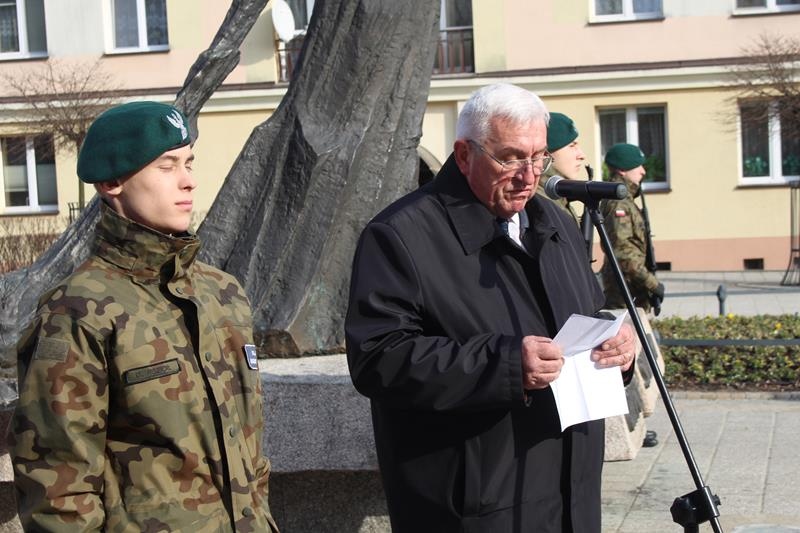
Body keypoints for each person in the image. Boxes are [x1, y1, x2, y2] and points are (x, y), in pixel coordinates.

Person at [345, 83, 636, 532]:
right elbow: (378, 359)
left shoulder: (555, 222)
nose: (529, 176)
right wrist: (507, 366)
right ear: (464, 155)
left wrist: (617, 346)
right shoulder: (399, 236)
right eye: (511, 158)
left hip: (570, 494)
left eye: (538, 157)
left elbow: (588, 313)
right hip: (477, 505)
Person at [10, 101, 279, 532]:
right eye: (166, 166)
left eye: (189, 163)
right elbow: (58, 490)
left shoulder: (222, 293)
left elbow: (250, 455)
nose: (188, 181)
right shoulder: (77, 313)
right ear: (112, 182)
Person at [599, 142, 664, 314]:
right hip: (623, 292)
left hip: (631, 288)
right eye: (638, 166)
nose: (643, 171)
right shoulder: (618, 202)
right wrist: (653, 284)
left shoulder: (625, 199)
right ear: (622, 170)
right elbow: (622, 252)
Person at [537, 111, 586, 226]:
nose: (582, 155)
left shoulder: (557, 197)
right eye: (572, 146)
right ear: (546, 153)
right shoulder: (539, 201)